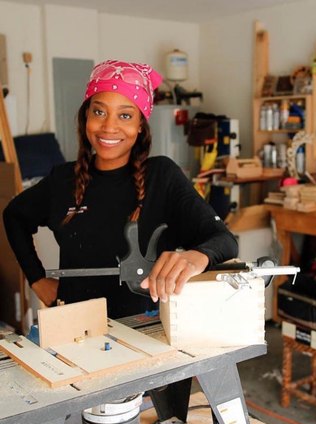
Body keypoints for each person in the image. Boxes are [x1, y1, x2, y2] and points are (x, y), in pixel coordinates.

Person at [3, 59, 238, 320]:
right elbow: (14, 215)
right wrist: (37, 279)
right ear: (86, 116)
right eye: (99, 112)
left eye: (125, 115)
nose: (109, 127)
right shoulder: (62, 180)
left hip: (146, 333)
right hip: (74, 329)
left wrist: (196, 257)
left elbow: (224, 241)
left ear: (140, 125)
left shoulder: (162, 176)